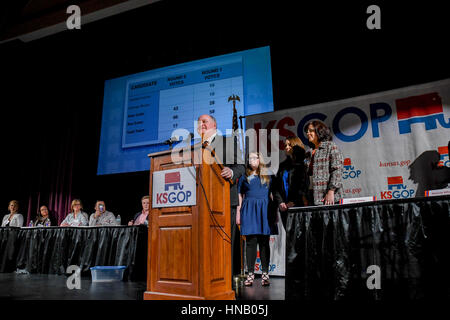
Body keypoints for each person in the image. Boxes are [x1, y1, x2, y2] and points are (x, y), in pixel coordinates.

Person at [197, 114, 245, 277]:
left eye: (204, 121)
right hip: (202, 204)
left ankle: (227, 280)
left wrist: (231, 172)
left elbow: (241, 166)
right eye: (199, 122)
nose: (201, 124)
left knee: (225, 242)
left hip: (224, 200)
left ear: (215, 125)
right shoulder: (195, 148)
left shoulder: (228, 141)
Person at [236, 152, 276, 286]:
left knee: (264, 242)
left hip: (264, 209)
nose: (251, 160)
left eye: (254, 157)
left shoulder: (268, 176)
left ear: (260, 160)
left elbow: (272, 196)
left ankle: (265, 274)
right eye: (250, 158)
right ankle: (250, 274)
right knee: (251, 243)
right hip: (249, 210)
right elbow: (240, 196)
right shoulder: (244, 177)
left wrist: (274, 213)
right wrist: (238, 213)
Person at [304, 120, 344, 205]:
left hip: (328, 197)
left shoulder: (330, 147)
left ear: (319, 131)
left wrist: (331, 191)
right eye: (307, 131)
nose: (307, 133)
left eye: (311, 130)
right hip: (312, 196)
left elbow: (337, 170)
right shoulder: (309, 153)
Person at [273, 136, 309, 229]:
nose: (287, 147)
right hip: (284, 209)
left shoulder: (303, 165)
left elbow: (304, 186)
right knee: (290, 238)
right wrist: (280, 202)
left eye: (290, 145)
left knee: (300, 238)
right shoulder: (282, 166)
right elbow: (276, 187)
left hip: (299, 206)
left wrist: (293, 202)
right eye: (285, 145)